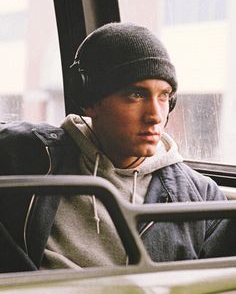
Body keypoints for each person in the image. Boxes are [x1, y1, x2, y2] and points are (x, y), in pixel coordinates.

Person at [0, 22, 235, 273]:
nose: (155, 115)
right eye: (136, 95)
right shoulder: (23, 155)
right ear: (89, 99)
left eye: (164, 96)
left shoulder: (199, 198)